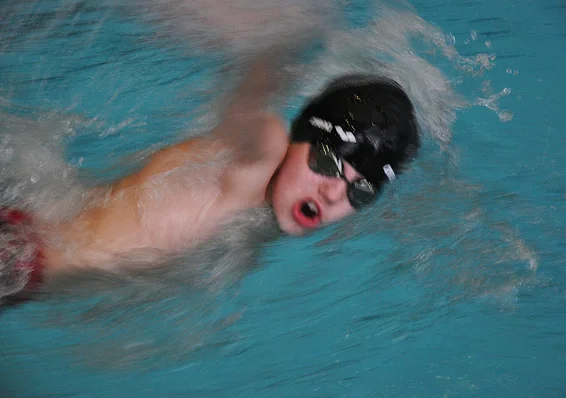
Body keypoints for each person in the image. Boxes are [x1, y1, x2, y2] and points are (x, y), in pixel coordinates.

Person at [0, 53, 420, 302]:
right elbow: (249, 106)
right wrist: (277, 41)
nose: (332, 193)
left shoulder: (267, 205)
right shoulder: (261, 154)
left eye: (360, 191)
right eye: (328, 164)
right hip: (18, 256)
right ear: (300, 137)